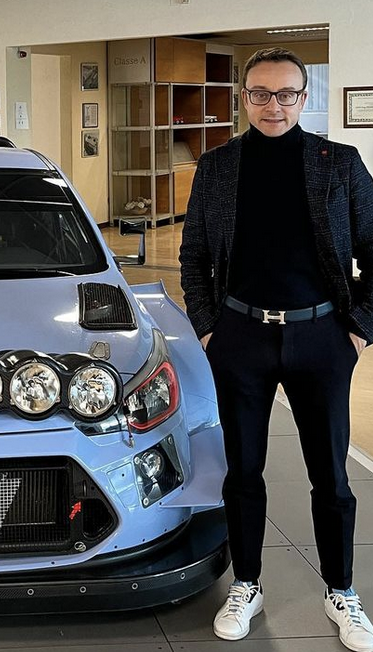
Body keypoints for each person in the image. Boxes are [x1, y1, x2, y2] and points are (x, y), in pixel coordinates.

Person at [179, 47, 373, 652]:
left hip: (322, 337)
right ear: (244, 97)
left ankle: (341, 591)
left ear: (303, 98)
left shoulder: (340, 163)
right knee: (243, 471)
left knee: (330, 475)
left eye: (286, 94)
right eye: (260, 93)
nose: (274, 105)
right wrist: (208, 328)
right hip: (241, 337)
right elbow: (194, 256)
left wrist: (359, 328)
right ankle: (248, 584)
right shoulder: (217, 167)